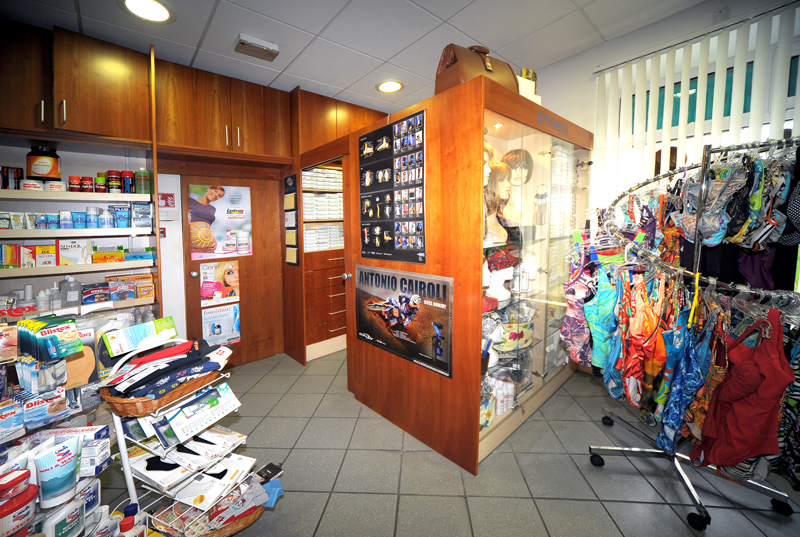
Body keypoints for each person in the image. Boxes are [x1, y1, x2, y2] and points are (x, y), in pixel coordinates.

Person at [500, 149, 535, 228]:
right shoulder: (500, 208)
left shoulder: (529, 210)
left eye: (523, 167)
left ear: (528, 170)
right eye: (513, 168)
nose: (518, 172)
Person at [484, 162, 517, 244]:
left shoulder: (500, 218)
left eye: (508, 180)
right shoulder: (479, 220)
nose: (509, 184)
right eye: (501, 180)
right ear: (490, 182)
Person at [189, 186, 225, 253]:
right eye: (215, 191)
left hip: (208, 247)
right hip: (191, 247)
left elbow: (207, 227)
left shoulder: (212, 209)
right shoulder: (190, 201)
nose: (216, 195)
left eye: (219, 195)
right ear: (209, 189)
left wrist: (213, 239)